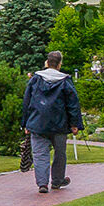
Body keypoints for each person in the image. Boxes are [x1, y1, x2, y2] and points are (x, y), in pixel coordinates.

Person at [21, 50, 83, 194]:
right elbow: (73, 104)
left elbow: (27, 101)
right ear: (59, 64)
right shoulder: (65, 81)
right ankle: (57, 180)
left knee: (40, 154)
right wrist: (75, 124)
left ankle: (42, 183)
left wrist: (25, 123)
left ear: (47, 63)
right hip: (59, 123)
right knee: (60, 153)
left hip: (37, 122)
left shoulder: (36, 79)